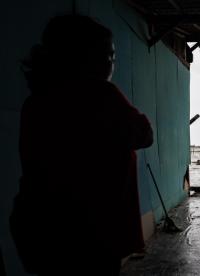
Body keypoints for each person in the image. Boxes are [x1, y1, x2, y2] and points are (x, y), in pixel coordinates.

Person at [10, 14, 153, 275]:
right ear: (81, 57)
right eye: (107, 55)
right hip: (90, 233)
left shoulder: (38, 100)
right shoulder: (101, 95)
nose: (112, 63)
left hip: (39, 228)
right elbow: (144, 134)